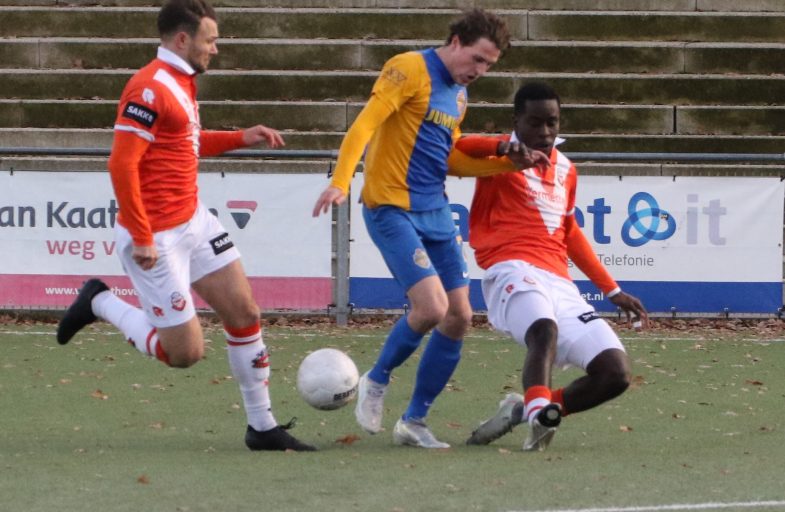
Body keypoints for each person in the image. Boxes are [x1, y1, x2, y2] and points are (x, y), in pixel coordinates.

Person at [56, 0, 315, 452]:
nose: (215, 48)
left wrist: (241, 137)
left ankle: (262, 427)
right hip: (155, 237)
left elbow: (185, 144)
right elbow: (121, 164)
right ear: (182, 39)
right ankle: (99, 301)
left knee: (245, 314)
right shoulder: (149, 87)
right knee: (184, 354)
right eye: (210, 40)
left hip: (195, 220)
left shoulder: (182, 81)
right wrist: (141, 236)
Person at [312, 9, 549, 449]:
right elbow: (365, 125)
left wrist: (507, 163)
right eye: (477, 59)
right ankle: (376, 379)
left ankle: (414, 421)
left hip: (435, 211)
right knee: (431, 308)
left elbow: (450, 160)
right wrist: (341, 181)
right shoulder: (407, 68)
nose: (480, 71)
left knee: (459, 317)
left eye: (489, 65)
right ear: (456, 42)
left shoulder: (458, 95)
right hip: (391, 207)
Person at [458, 82, 649, 451]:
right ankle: (538, 417)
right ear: (516, 122)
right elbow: (459, 148)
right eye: (534, 123)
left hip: (558, 281)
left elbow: (569, 231)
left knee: (615, 372)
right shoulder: (500, 157)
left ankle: (531, 410)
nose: (544, 132)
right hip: (510, 268)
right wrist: (503, 148)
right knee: (544, 329)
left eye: (552, 122)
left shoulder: (566, 169)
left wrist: (612, 290)